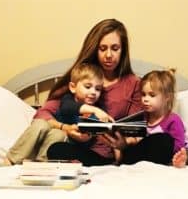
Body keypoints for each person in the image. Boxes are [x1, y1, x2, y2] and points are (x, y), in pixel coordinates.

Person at [35, 18, 175, 166]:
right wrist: (66, 128)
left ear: (123, 51)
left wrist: (123, 144)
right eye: (103, 49)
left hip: (124, 153)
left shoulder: (134, 83)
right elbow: (42, 114)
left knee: (164, 141)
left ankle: (121, 165)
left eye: (115, 48)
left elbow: (136, 127)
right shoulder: (83, 78)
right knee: (56, 149)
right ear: (95, 49)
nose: (109, 55)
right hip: (89, 152)